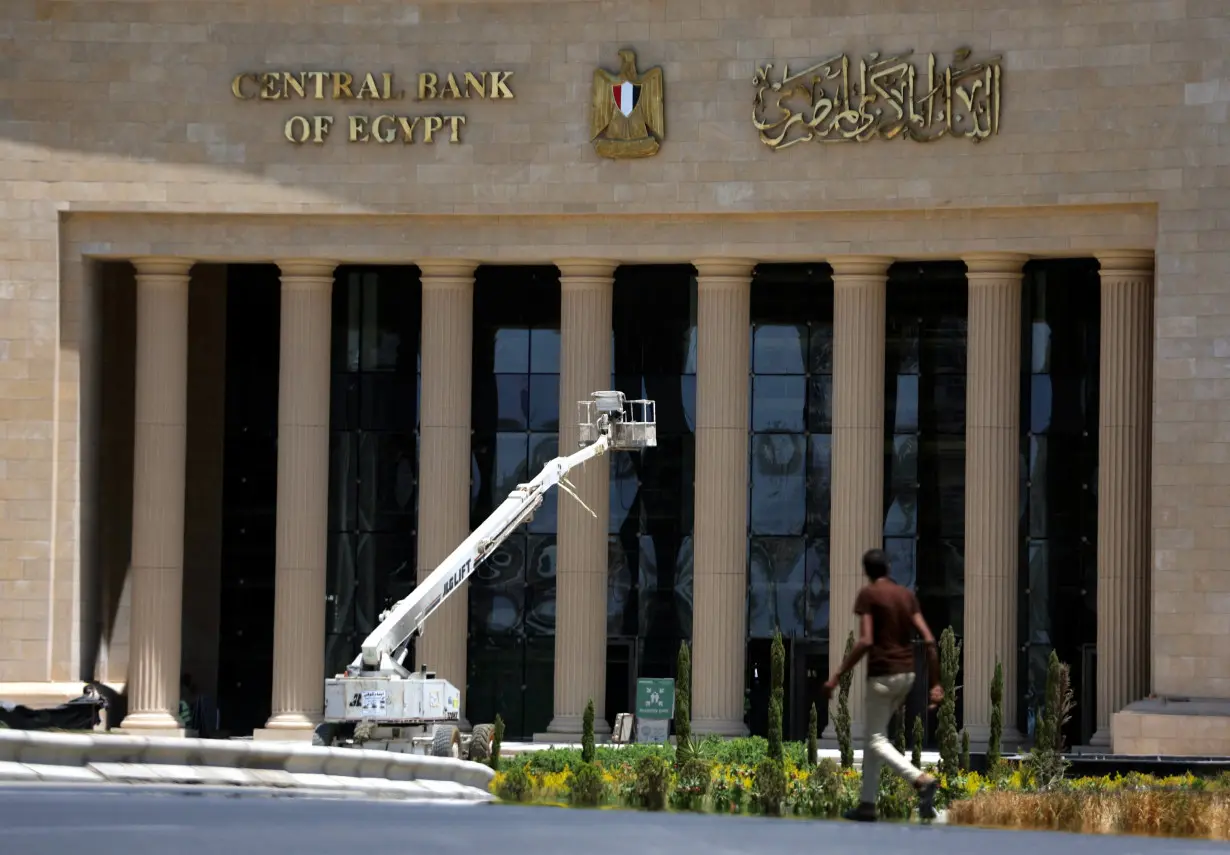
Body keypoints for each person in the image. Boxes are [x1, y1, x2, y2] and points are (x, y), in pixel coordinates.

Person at [824, 548, 941, 822]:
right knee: (874, 738)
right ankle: (867, 804)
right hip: (907, 676)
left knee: (876, 740)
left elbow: (865, 641)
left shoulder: (869, 595)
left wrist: (837, 675)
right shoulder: (906, 596)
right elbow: (929, 640)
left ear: (866, 571)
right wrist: (935, 682)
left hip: (882, 676)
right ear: (888, 567)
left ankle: (920, 780)